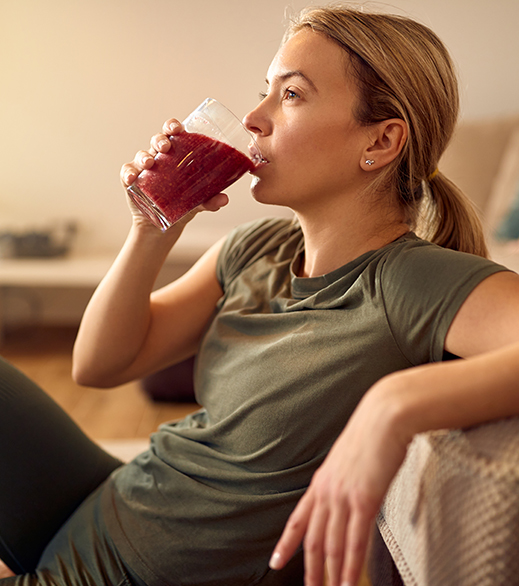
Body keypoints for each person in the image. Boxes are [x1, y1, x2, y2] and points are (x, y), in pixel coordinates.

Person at [1, 4, 519, 586]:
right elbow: (98, 365)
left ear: (380, 140)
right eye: (264, 92)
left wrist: (392, 405)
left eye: (291, 95)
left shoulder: (412, 281)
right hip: (108, 502)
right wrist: (151, 230)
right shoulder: (257, 246)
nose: (253, 117)